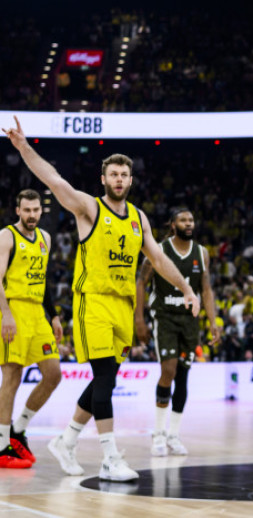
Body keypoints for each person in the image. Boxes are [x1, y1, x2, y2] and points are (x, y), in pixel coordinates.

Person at [2, 118, 199, 482]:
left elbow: (158, 259)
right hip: (93, 302)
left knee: (103, 381)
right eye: (113, 174)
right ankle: (109, 457)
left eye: (124, 175)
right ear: (103, 179)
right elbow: (54, 180)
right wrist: (24, 147)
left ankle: (66, 440)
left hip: (122, 306)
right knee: (105, 376)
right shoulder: (89, 208)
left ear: (131, 180)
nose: (119, 179)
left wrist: (186, 288)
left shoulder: (139, 218)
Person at [135, 207, 220, 457]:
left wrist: (213, 321)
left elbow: (206, 289)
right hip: (165, 317)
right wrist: (139, 318)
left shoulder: (202, 253)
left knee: (183, 375)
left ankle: (173, 434)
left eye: (191, 219)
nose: (189, 223)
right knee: (168, 370)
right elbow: (141, 282)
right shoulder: (158, 250)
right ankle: (158, 433)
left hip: (190, 320)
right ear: (173, 225)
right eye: (183, 220)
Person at [0, 190, 63, 469]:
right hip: (13, 309)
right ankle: (1, 445)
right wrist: (5, 314)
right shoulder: (6, 236)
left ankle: (18, 430)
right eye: (27, 210)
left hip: (38, 313)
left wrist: (55, 315)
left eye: (36, 210)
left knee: (53, 374)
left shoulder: (45, 238)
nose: (32, 215)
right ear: (18, 211)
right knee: (12, 376)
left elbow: (43, 280)